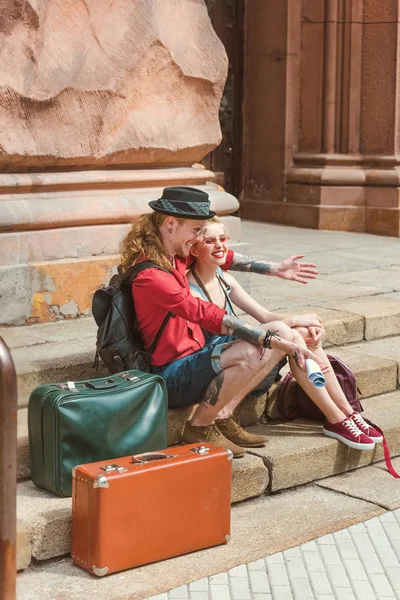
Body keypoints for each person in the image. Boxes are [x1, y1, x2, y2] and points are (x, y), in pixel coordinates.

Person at [120, 186, 380, 458]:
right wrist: (269, 339)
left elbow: (225, 257)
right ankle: (199, 427)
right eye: (197, 230)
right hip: (171, 374)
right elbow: (207, 315)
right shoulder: (153, 275)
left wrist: (273, 269)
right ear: (171, 223)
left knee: (282, 331)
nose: (198, 238)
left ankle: (338, 416)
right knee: (254, 348)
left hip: (195, 355)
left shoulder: (173, 255)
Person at [186, 216, 383, 452]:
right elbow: (238, 328)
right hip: (216, 365)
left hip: (241, 357)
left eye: (223, 238)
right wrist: (293, 322)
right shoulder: (190, 288)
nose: (219, 245)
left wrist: (304, 321)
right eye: (210, 240)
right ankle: (335, 419)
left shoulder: (224, 278)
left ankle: (347, 413)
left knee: (302, 334)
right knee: (286, 332)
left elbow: (264, 316)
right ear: (195, 249)